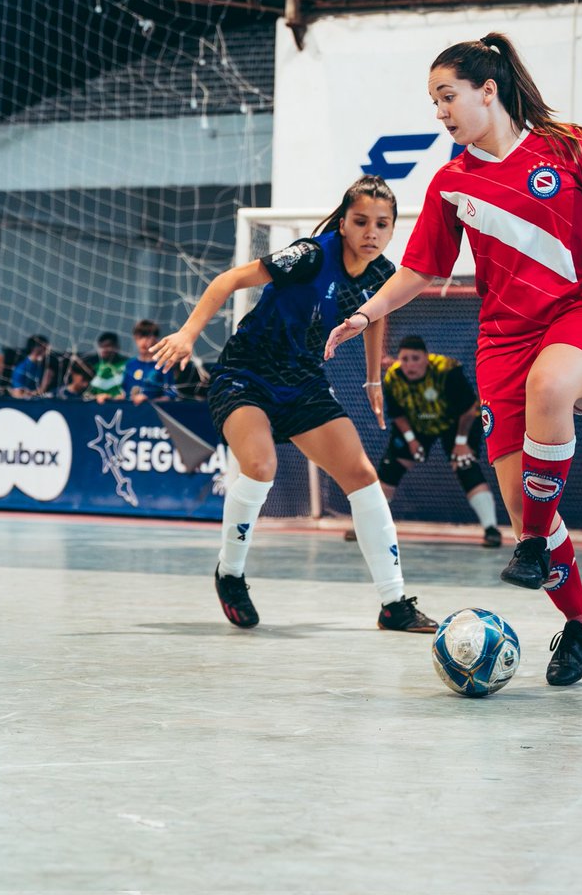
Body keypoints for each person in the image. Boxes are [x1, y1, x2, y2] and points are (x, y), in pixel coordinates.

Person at [326, 33, 582, 687]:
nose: (441, 111)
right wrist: (366, 312)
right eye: (434, 101)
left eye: (447, 95)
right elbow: (421, 268)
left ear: (489, 90)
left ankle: (532, 546)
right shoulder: (453, 182)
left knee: (551, 390)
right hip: (503, 343)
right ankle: (580, 622)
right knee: (522, 502)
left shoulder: (565, 146)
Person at [151, 175, 438, 635]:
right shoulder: (308, 256)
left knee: (363, 477)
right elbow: (229, 280)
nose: (371, 232)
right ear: (343, 222)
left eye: (382, 225)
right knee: (260, 465)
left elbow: (376, 315)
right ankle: (231, 572)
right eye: (361, 221)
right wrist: (187, 334)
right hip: (246, 374)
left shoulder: (384, 274)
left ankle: (394, 604)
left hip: (303, 383)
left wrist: (372, 378)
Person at [347, 334, 502, 548]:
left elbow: (469, 409)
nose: (410, 365)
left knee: (465, 465)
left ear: (426, 358)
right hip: (417, 423)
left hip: (455, 423)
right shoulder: (393, 377)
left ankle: (491, 530)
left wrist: (461, 441)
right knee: (390, 469)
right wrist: (411, 440)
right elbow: (398, 414)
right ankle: (367, 527)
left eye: (415, 358)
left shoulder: (447, 371)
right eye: (405, 359)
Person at [122, 320, 177, 404]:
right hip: (130, 411)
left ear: (156, 340)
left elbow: (170, 396)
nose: (144, 341)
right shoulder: (130, 364)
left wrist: (148, 401)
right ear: (135, 339)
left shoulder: (163, 365)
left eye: (147, 337)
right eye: (140, 337)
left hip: (153, 413)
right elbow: (123, 393)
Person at [86, 332, 128, 403]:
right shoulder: (94, 367)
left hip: (121, 404)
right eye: (101, 346)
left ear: (116, 347)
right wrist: (96, 397)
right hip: (99, 405)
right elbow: (86, 393)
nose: (104, 350)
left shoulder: (127, 364)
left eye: (107, 346)